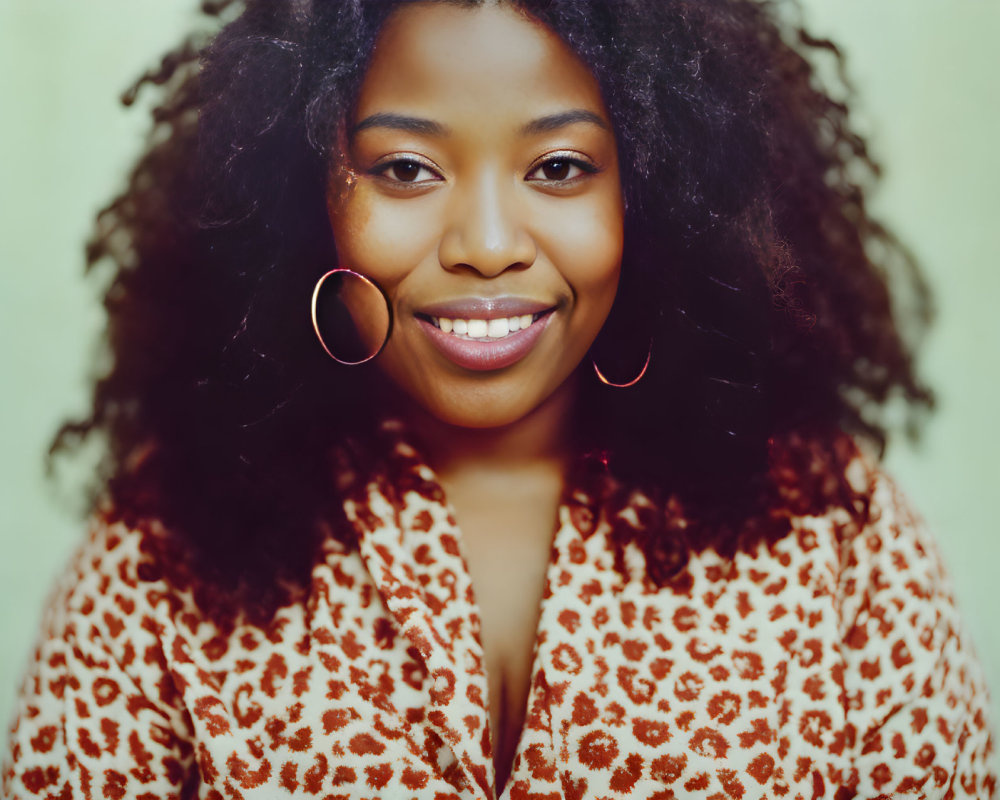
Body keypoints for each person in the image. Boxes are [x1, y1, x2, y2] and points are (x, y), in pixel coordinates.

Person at [3, 0, 995, 797]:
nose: (484, 240)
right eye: (404, 167)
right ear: (309, 191)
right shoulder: (164, 546)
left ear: (650, 188)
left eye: (559, 167)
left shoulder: (829, 526)